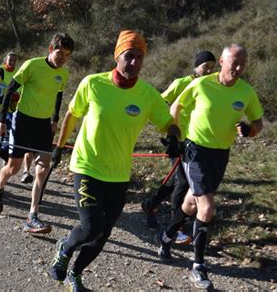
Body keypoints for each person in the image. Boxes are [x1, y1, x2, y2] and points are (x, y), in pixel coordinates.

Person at [49, 30, 182, 291]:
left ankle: (75, 274)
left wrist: (174, 137)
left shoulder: (148, 95)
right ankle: (65, 247)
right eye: (128, 56)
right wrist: (58, 146)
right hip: (87, 166)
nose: (133, 63)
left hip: (118, 174)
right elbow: (72, 114)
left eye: (139, 57)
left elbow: (167, 123)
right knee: (91, 227)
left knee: (104, 234)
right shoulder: (93, 83)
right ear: (116, 56)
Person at [155, 44, 263, 290]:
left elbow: (258, 123)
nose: (237, 68)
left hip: (220, 154)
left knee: (192, 204)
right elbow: (176, 106)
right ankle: (198, 267)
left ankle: (165, 237)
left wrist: (250, 130)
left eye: (242, 64)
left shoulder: (246, 92)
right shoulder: (201, 84)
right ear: (222, 61)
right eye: (234, 62)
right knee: (207, 205)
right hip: (195, 150)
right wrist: (174, 136)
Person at [0, 33, 75, 234]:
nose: (62, 58)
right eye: (59, 52)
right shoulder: (32, 65)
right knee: (13, 168)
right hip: (22, 121)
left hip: (43, 125)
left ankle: (33, 215)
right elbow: (10, 90)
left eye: (67, 55)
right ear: (50, 49)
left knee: (42, 169)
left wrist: (54, 119)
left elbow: (58, 96)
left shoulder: (63, 73)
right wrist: (2, 120)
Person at [141, 50, 216, 245]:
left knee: (177, 181)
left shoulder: (212, 87)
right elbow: (159, 102)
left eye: (211, 67)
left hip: (197, 142)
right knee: (183, 182)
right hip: (177, 142)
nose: (208, 70)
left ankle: (151, 204)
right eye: (205, 66)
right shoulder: (180, 83)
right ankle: (176, 229)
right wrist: (169, 130)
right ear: (196, 66)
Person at [1, 51, 35, 184]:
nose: (12, 62)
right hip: (4, 110)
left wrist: (18, 97)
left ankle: (26, 171)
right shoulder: (0, 71)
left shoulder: (21, 72)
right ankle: (5, 167)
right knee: (4, 142)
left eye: (14, 60)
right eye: (10, 60)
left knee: (29, 144)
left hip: (20, 111)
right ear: (5, 60)